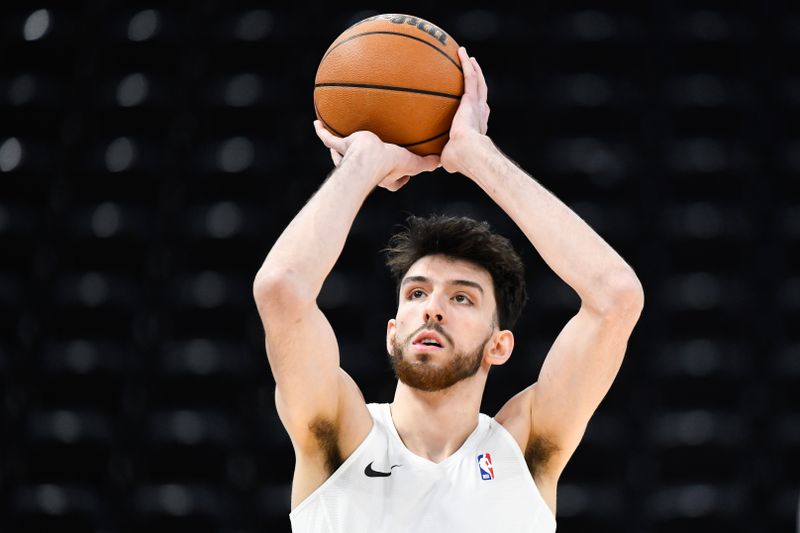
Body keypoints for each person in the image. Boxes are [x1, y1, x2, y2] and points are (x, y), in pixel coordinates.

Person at [253, 46, 644, 532]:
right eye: (416, 293)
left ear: (499, 345)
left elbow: (616, 298)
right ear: (392, 331)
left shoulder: (524, 450)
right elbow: (279, 291)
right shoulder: (342, 437)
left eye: (462, 297)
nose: (432, 308)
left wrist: (476, 156)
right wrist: (362, 164)